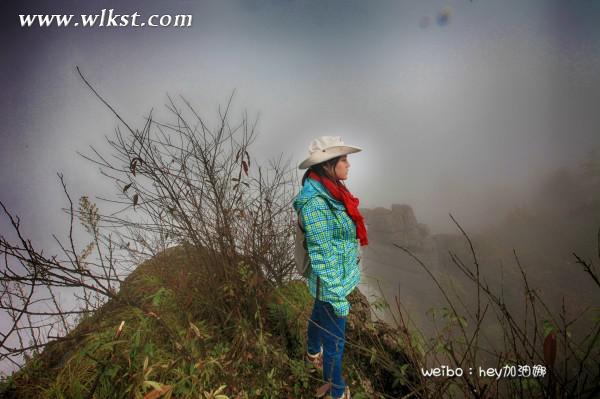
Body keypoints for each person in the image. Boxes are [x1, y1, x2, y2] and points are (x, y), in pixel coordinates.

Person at [293, 136, 368, 399]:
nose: (348, 164)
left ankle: (313, 350)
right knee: (335, 341)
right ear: (328, 164)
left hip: (336, 275)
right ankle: (336, 391)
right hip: (330, 280)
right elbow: (322, 254)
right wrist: (337, 295)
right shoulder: (316, 203)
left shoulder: (332, 192)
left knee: (319, 311)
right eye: (344, 159)